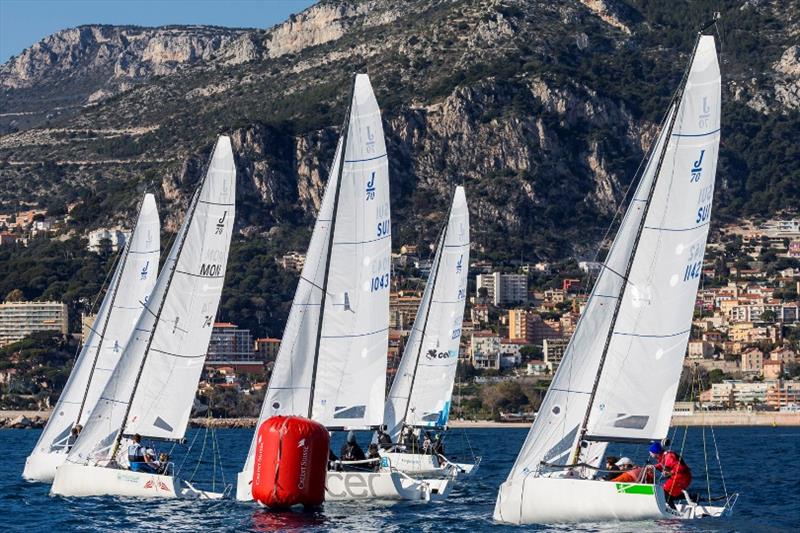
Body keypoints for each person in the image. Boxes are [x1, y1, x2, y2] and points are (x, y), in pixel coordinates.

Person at [649, 441, 692, 508]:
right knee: (669, 495)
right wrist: (654, 467)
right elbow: (663, 464)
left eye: (651, 452)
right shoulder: (663, 456)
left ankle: (673, 511)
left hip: (681, 477)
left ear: (655, 452)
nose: (650, 454)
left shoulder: (668, 456)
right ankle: (693, 497)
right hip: (682, 477)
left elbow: (680, 467)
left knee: (663, 493)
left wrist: (670, 472)